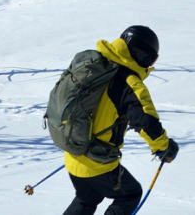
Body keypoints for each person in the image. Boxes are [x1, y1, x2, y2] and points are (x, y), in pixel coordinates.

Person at [62, 25, 179, 215]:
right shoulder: (129, 82)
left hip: (73, 153)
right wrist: (164, 147)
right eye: (151, 59)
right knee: (130, 194)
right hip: (97, 161)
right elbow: (146, 122)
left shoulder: (96, 67)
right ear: (142, 55)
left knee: (87, 198)